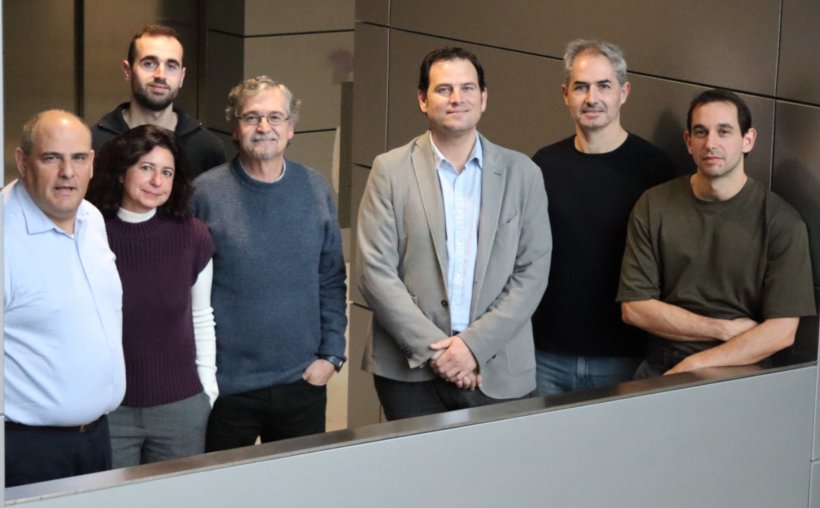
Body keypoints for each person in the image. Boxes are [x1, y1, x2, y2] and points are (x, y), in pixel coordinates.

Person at [356, 47, 552, 421]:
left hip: (497, 370)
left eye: (467, 88)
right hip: (409, 374)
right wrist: (439, 354)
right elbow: (374, 271)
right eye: (444, 89)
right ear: (422, 100)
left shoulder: (522, 173)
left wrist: (472, 348)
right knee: (417, 477)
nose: (457, 98)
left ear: (484, 98)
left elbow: (532, 273)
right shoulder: (389, 170)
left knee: (494, 478)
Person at [192, 76, 347, 451]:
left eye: (275, 117)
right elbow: (184, 294)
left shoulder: (315, 188)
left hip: (302, 383)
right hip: (228, 390)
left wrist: (332, 355)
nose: (264, 128)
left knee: (300, 495)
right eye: (252, 118)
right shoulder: (203, 195)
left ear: (291, 128)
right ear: (235, 127)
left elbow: (331, 278)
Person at [618, 89, 815, 378]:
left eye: (724, 131)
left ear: (747, 140)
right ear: (688, 141)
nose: (711, 143)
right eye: (701, 132)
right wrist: (722, 328)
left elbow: (782, 333)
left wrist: (695, 365)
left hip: (742, 370)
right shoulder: (654, 204)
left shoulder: (782, 222)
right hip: (661, 366)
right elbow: (634, 308)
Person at [530, 39, 679, 395]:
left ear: (624, 92)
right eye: (581, 87)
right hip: (544, 356)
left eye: (604, 86)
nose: (591, 98)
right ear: (565, 94)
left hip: (624, 359)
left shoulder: (656, 170)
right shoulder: (542, 165)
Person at [3, 110, 125, 486]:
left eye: (79, 158)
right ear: (23, 162)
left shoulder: (91, 218)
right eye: (51, 157)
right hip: (28, 449)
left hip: (97, 438)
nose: (67, 172)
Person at [85, 125, 217, 467]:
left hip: (181, 407)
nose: (157, 181)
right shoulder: (90, 232)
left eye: (167, 172)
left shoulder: (192, 235)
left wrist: (208, 389)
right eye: (146, 168)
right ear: (120, 172)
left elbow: (201, 316)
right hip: (109, 409)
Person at [91, 24, 225, 178]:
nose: (160, 75)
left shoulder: (207, 148)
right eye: (149, 64)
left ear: (181, 77)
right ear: (127, 70)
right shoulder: (95, 143)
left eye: (171, 66)